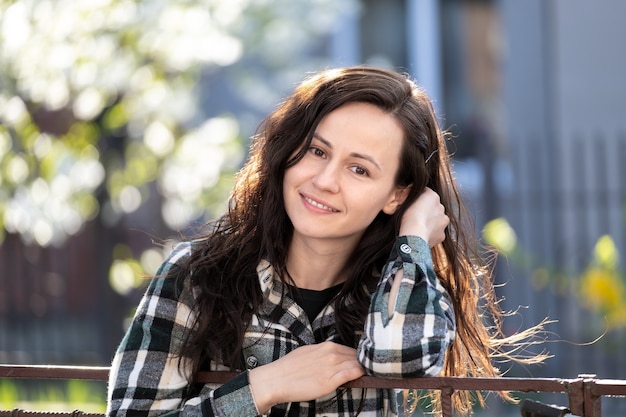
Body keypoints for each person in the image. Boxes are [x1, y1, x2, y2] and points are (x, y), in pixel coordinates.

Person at [107, 66, 545, 417]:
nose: (324, 181)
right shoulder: (197, 277)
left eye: (360, 169)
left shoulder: (404, 289)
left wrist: (412, 239)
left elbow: (397, 359)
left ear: (397, 194)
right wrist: (265, 387)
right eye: (317, 151)